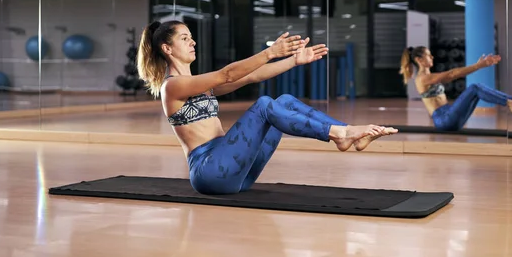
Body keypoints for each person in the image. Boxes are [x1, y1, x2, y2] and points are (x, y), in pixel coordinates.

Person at [137, 20, 397, 195]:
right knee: (263, 105)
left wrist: (294, 61)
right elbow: (227, 74)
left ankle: (345, 133)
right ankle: (339, 134)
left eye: (192, 37)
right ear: (167, 48)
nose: (192, 42)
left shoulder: (198, 84)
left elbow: (250, 76)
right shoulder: (171, 87)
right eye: (185, 38)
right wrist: (269, 52)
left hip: (238, 171)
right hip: (210, 171)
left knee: (282, 101)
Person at [400, 46, 512, 131]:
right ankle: (511, 102)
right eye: (428, 55)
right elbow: (451, 73)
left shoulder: (431, 77)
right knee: (475, 88)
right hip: (443, 120)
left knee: (477, 90)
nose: (432, 57)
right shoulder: (421, 79)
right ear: (419, 60)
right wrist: (478, 66)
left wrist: (478, 66)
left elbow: (452, 76)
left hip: (450, 116)